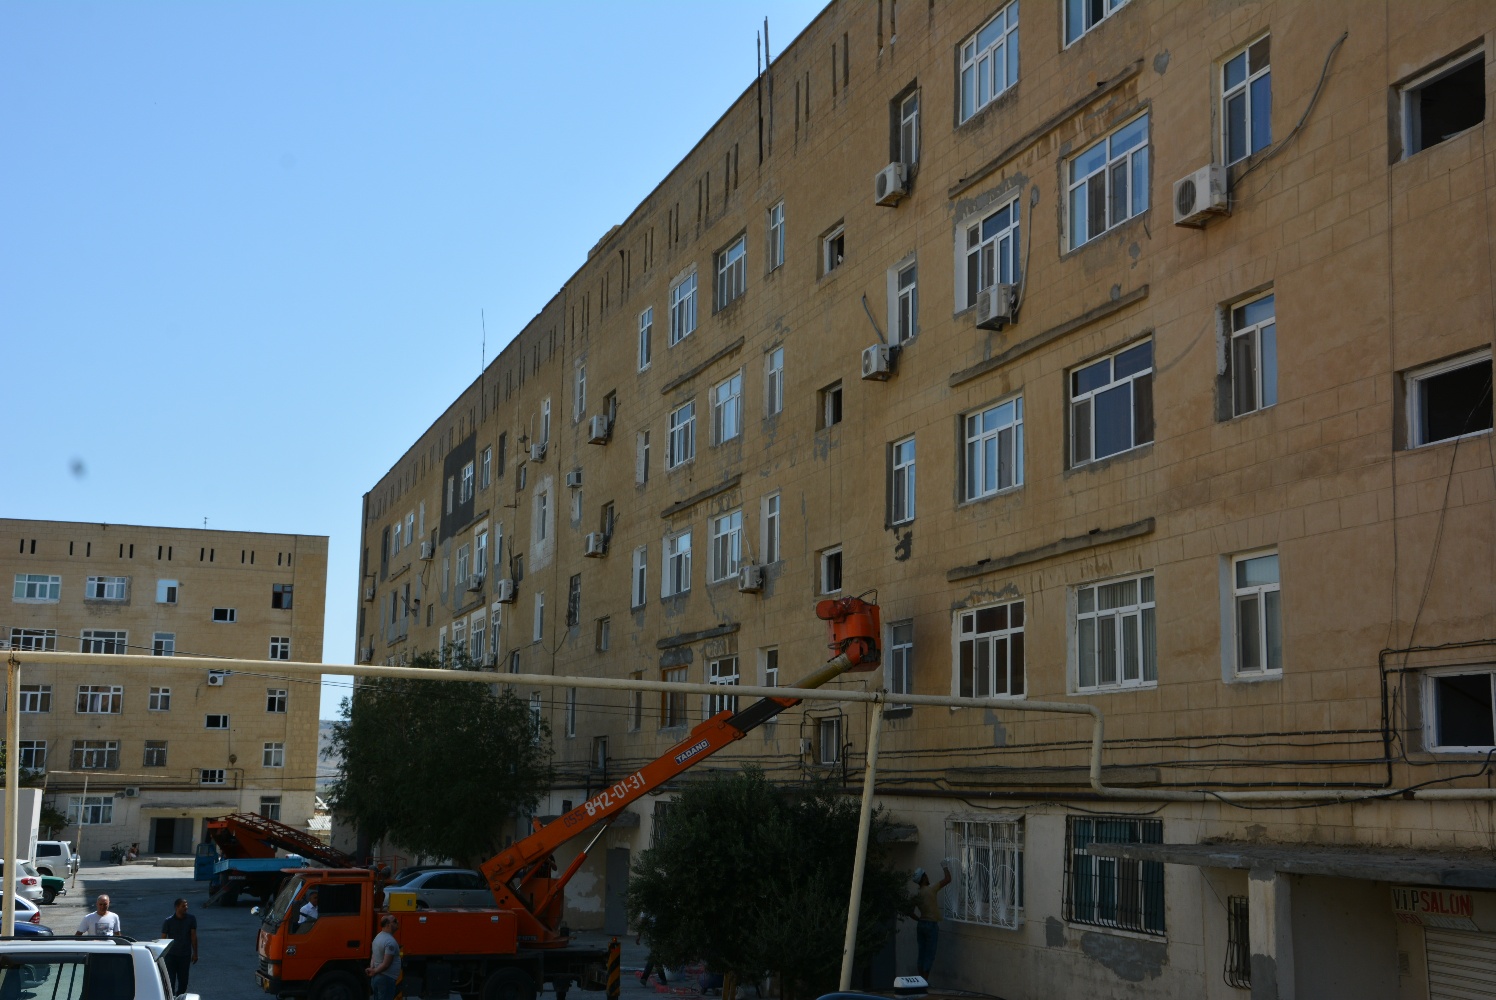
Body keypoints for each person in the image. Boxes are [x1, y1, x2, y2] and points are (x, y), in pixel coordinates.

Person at [911, 864, 951, 979]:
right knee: (929, 954)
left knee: (922, 953)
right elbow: (948, 879)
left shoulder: (916, 894)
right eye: (926, 875)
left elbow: (909, 912)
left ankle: (920, 979)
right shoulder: (931, 889)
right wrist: (945, 866)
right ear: (923, 878)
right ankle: (924, 981)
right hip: (931, 925)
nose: (928, 877)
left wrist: (919, 919)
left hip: (921, 924)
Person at [161, 898, 198, 993]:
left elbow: (193, 936)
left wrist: (195, 953)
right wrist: (162, 955)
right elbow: (163, 939)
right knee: (170, 981)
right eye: (183, 906)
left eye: (186, 905)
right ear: (177, 907)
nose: (186, 907)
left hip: (185, 955)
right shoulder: (168, 921)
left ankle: (180, 997)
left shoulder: (191, 919)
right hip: (171, 956)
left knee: (183, 982)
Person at [366, 914, 401, 1000]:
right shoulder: (390, 941)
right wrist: (374, 971)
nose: (398, 922)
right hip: (386, 979)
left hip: (377, 978)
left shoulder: (377, 937)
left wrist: (372, 968)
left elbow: (374, 955)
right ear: (388, 925)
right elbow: (386, 964)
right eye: (395, 921)